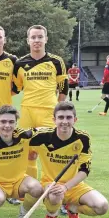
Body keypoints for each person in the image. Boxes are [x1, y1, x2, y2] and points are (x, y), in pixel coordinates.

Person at [30, 102, 109, 218]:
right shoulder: (42, 136)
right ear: (54, 120)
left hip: (74, 186)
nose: (64, 121)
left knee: (102, 206)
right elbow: (17, 135)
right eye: (60, 118)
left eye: (68, 117)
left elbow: (85, 170)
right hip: (51, 184)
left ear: (75, 119)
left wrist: (66, 187)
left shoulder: (82, 138)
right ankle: (51, 216)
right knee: (55, 196)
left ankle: (73, 209)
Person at [13, 24, 68, 179]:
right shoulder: (20, 63)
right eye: (33, 37)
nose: (36, 40)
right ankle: (26, 190)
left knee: (51, 151)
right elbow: (16, 87)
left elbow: (63, 88)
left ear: (46, 39)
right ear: (28, 40)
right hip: (27, 112)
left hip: (48, 111)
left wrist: (59, 111)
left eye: (40, 37)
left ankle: (53, 188)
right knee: (27, 153)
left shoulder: (57, 61)